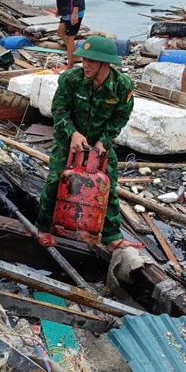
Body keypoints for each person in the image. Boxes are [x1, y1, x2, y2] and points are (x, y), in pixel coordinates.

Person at [36, 35, 138, 253]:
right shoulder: (71, 79)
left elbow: (120, 117)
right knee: (55, 179)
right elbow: (59, 110)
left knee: (108, 185)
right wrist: (72, 133)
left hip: (99, 143)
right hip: (69, 139)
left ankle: (112, 237)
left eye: (91, 61)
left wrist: (104, 141)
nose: (86, 65)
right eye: (84, 60)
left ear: (105, 63)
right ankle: (44, 227)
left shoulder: (122, 87)